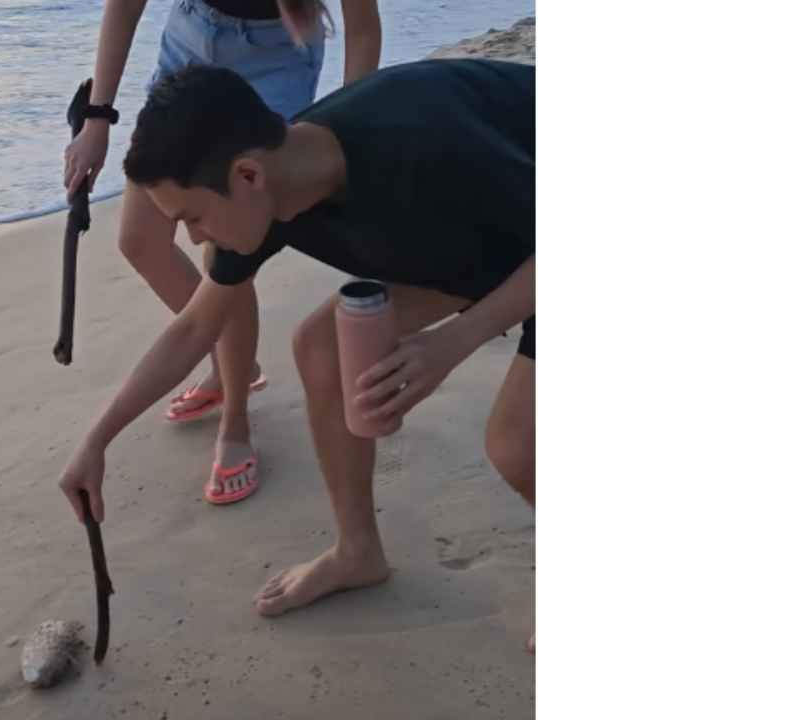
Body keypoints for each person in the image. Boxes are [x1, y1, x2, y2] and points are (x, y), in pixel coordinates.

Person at [58, 59, 535, 646]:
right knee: (322, 345)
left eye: (194, 218)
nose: (197, 238)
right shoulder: (271, 188)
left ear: (248, 175)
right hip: (493, 246)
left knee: (516, 443)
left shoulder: (420, 140)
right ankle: (357, 552)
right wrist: (96, 440)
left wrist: (453, 342)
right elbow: (195, 328)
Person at [63, 0, 384, 506]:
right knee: (140, 240)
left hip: (278, 54)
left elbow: (362, 28)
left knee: (228, 248)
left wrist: (353, 128)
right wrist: (98, 118)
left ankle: (235, 418)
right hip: (189, 39)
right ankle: (229, 357)